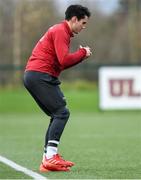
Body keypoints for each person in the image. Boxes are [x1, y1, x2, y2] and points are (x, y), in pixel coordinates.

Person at [23, 4, 92, 172]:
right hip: (40, 76)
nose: (84, 27)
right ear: (74, 19)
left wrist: (79, 55)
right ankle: (50, 156)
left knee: (57, 114)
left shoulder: (61, 31)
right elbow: (64, 60)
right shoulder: (61, 31)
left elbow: (61, 62)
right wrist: (83, 53)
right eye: (83, 23)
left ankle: (47, 160)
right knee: (62, 113)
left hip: (37, 75)